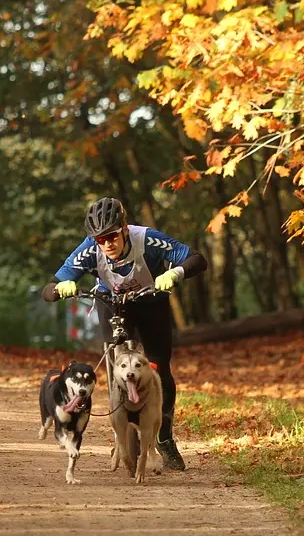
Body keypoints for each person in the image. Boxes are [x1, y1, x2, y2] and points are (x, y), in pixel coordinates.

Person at [41, 197, 208, 471]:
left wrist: (176, 272)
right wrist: (61, 288)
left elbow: (197, 259)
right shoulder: (88, 250)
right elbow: (49, 287)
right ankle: (121, 436)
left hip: (151, 302)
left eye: (112, 235)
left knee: (159, 367)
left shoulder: (148, 240)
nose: (107, 244)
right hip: (112, 303)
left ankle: (164, 437)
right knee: (115, 368)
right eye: (99, 239)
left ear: (124, 228)